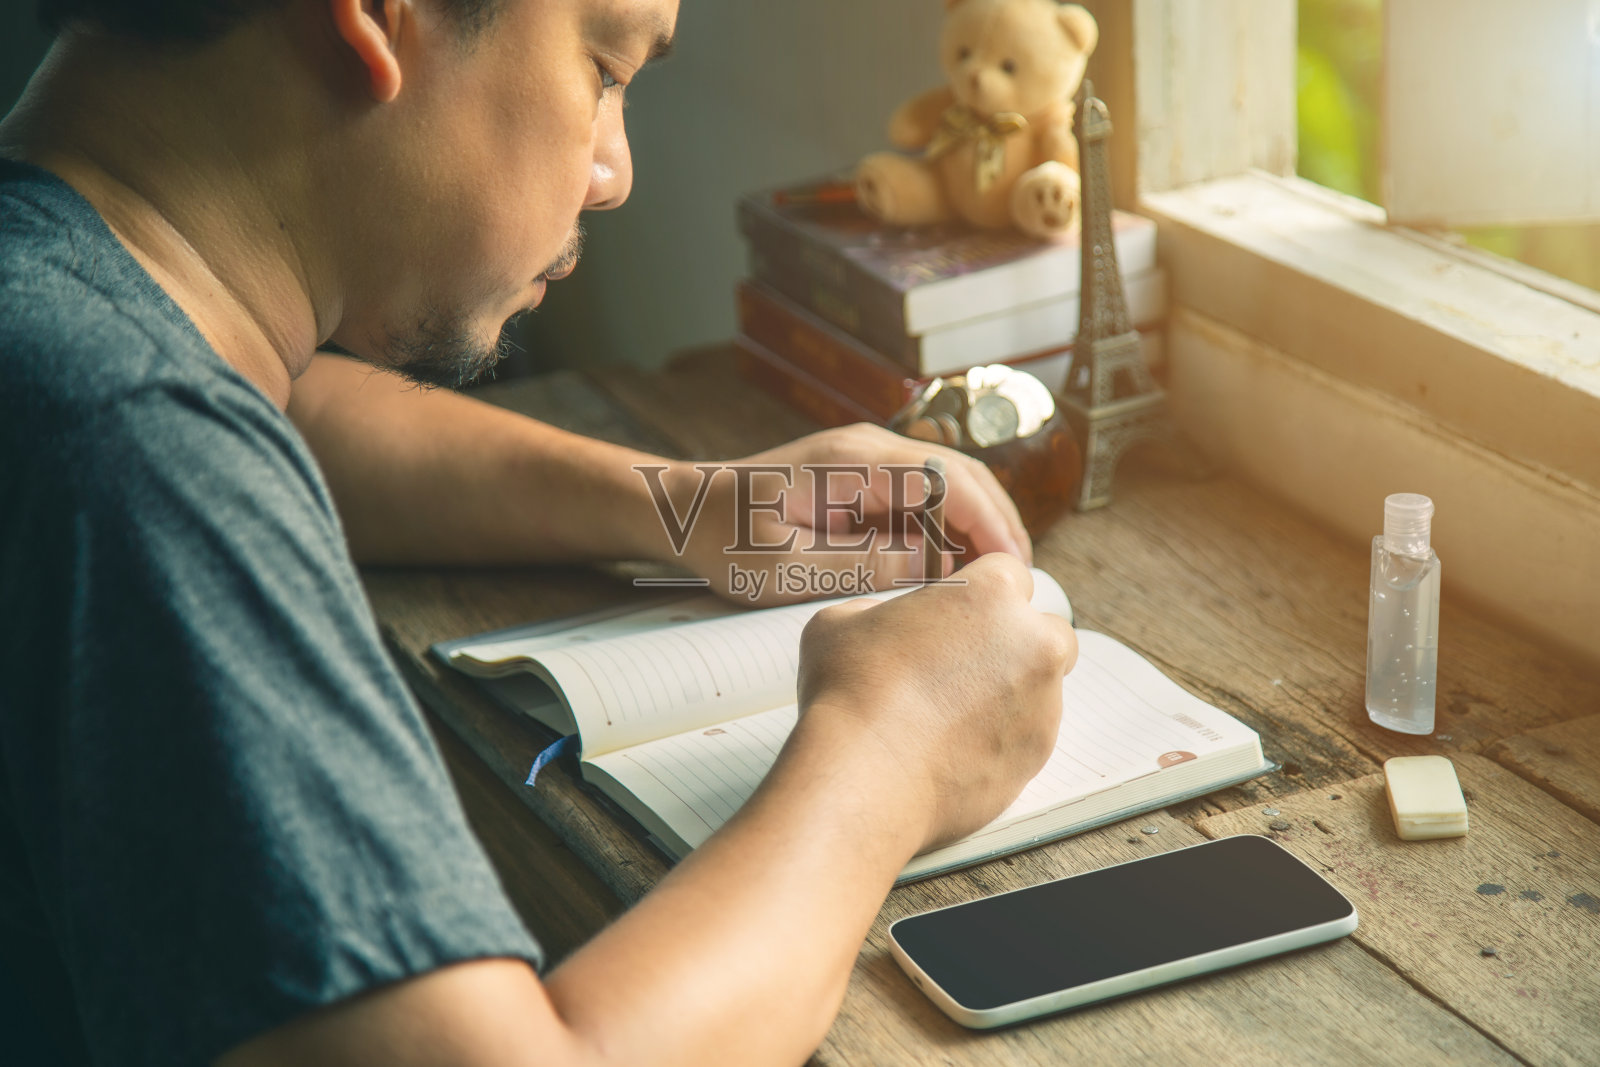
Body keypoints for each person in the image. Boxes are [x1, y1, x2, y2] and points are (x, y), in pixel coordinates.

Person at [0, 0, 1078, 1063]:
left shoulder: (65, 299)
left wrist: (684, 507)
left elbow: (285, 411)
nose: (614, 172)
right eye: (604, 71)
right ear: (376, 14)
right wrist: (889, 748)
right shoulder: (138, 446)